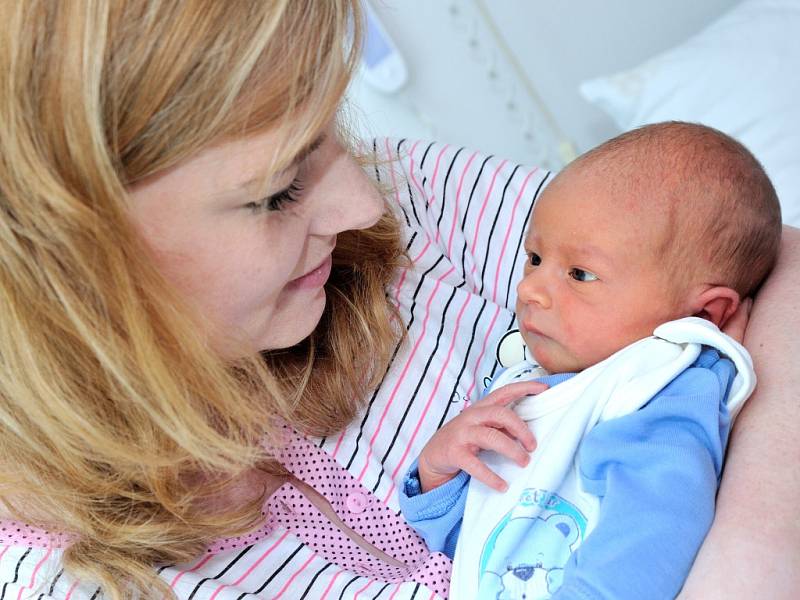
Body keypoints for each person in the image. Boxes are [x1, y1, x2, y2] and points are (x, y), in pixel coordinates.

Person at [0, 2, 798, 599]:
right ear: (73, 271)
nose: (362, 205)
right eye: (278, 192)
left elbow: (770, 260)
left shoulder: (410, 193)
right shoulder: (61, 578)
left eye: (331, 133)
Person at [398, 122, 779, 599]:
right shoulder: (531, 389)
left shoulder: (655, 390)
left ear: (701, 314)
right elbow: (478, 544)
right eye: (534, 258)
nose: (529, 289)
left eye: (580, 274)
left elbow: (657, 531)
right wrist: (439, 474)